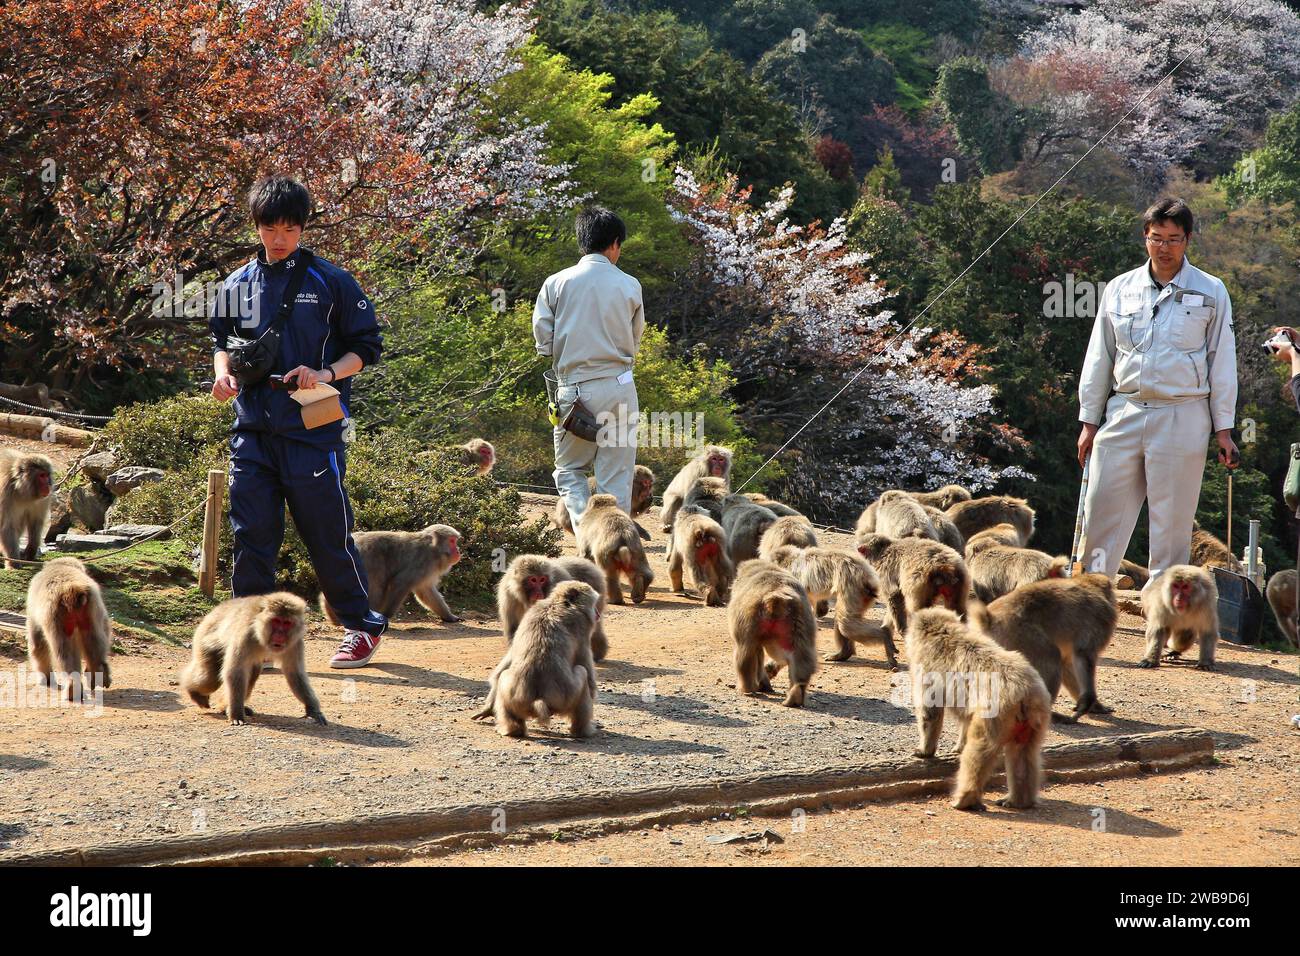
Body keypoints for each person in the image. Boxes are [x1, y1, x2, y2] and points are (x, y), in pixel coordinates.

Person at [209, 175, 388, 669]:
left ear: (303, 228)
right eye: (271, 227)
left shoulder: (332, 281)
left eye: (290, 227)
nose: (280, 237)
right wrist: (223, 376)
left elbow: (367, 348)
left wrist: (325, 372)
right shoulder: (235, 284)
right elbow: (220, 341)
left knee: (327, 533)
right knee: (252, 535)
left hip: (313, 431)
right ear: (258, 227)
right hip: (252, 429)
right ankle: (246, 633)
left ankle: (362, 626)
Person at [1077, 197, 1239, 582]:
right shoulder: (1119, 288)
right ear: (1144, 238)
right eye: (1156, 238)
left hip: (1183, 414)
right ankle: (1089, 596)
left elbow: (1222, 360)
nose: (1164, 248)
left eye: (1173, 239)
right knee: (1100, 510)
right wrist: (1088, 420)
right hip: (1125, 409)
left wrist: (1225, 429)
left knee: (1172, 522)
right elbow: (1099, 355)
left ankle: (1164, 614)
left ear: (1187, 240)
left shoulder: (1211, 290)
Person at [533, 206, 645, 525]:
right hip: (620, 386)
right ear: (613, 243)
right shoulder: (630, 285)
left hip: (575, 391)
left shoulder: (555, 283)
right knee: (616, 478)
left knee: (570, 470)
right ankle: (611, 543)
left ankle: (586, 533)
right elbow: (634, 338)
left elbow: (543, 339)